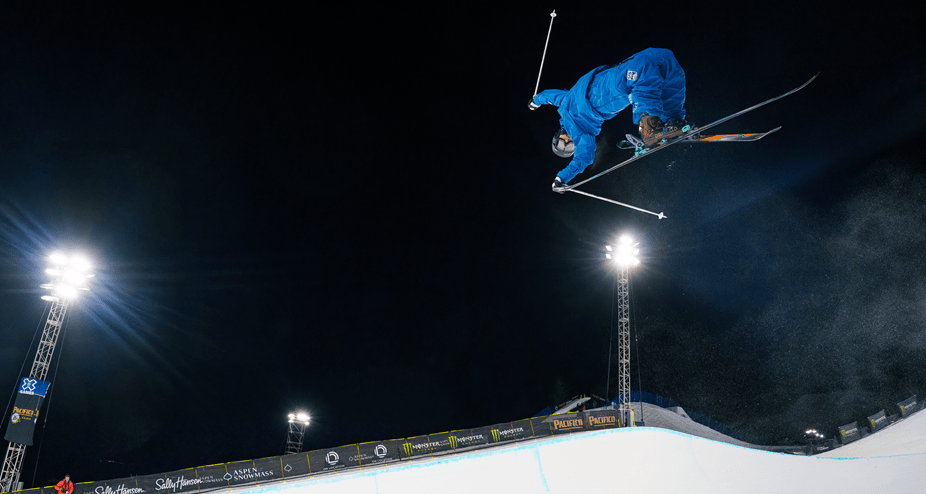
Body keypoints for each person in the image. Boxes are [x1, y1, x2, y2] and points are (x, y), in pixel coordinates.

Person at [530, 47, 690, 192]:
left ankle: (650, 128)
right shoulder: (583, 135)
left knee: (647, 67)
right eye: (568, 146)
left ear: (557, 135)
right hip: (642, 71)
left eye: (560, 142)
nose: (566, 141)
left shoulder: (564, 102)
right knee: (669, 80)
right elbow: (583, 159)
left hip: (602, 91)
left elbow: (547, 96)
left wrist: (535, 101)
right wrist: (562, 178)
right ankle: (674, 121)